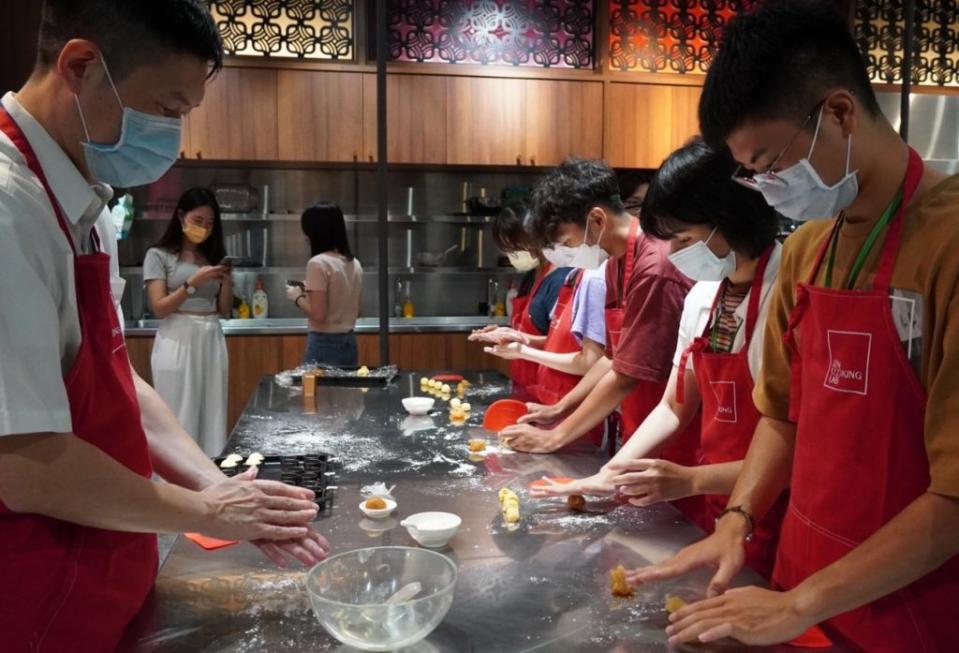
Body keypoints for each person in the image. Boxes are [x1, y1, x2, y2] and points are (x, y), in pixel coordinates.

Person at [628, 2, 959, 649]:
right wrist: (737, 518)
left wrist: (802, 602)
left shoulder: (947, 242)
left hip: (906, 607)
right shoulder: (809, 250)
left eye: (768, 162)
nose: (764, 185)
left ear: (837, 113)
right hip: (794, 584)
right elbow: (781, 416)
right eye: (748, 172)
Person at [0, 3, 328, 650]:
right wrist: (206, 512)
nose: (174, 133)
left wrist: (218, 484)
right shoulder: (8, 209)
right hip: (35, 604)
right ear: (82, 66)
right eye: (168, 107)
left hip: (105, 581)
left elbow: (122, 385)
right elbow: (26, 465)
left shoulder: (83, 202)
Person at [533, 138, 787, 578]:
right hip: (716, 499)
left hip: (775, 506)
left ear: (728, 218)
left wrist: (690, 480)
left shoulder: (788, 290)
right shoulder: (706, 295)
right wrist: (609, 473)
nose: (674, 254)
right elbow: (674, 404)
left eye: (684, 239)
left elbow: (794, 445)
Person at [499, 159, 696, 459]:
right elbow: (612, 358)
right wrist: (559, 409)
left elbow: (627, 376)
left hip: (675, 434)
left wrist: (553, 439)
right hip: (638, 423)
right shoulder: (615, 262)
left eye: (567, 241)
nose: (567, 252)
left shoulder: (654, 266)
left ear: (597, 220)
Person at [145, 187, 231, 456]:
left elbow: (224, 309)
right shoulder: (158, 255)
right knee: (179, 411)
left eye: (209, 223)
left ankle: (212, 479)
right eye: (198, 221)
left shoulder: (211, 257)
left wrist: (227, 281)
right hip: (178, 335)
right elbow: (159, 308)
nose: (204, 228)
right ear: (181, 217)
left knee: (213, 412)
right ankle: (176, 484)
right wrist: (192, 284)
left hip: (211, 336)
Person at [468, 202, 571, 401]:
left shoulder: (560, 279)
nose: (513, 255)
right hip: (525, 385)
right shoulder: (532, 276)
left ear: (536, 237)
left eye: (516, 247)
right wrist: (506, 334)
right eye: (507, 249)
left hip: (552, 390)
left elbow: (565, 346)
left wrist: (521, 343)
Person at [287, 202, 363, 366]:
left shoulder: (317, 263)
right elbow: (357, 309)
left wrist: (297, 297)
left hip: (324, 343)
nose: (305, 237)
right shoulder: (354, 263)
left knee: (316, 391)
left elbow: (319, 316)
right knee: (345, 391)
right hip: (349, 342)